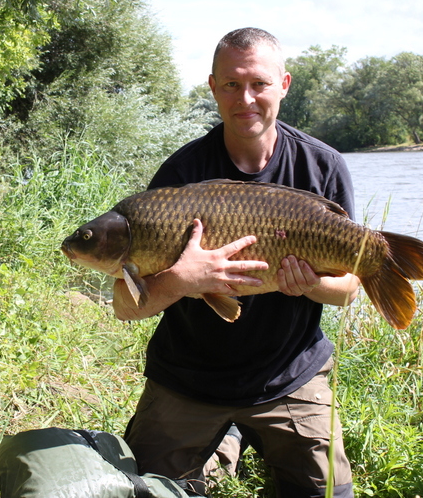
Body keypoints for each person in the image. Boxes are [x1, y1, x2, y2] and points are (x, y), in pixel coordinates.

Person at [112, 27, 360, 497]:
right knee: (144, 493)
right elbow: (126, 307)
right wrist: (184, 279)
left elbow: (347, 289)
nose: (245, 98)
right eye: (230, 84)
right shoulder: (181, 175)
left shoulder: (321, 167)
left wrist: (307, 284)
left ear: (283, 85)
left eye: (259, 84)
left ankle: (234, 438)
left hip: (288, 372)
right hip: (188, 376)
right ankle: (227, 438)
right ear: (213, 87)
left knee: (331, 494)